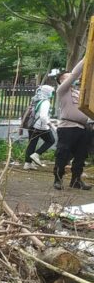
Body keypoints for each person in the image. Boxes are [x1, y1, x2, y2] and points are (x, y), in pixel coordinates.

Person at [53, 59, 90, 190]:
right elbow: (75, 74)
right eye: (67, 77)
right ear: (62, 80)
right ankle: (58, 179)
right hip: (68, 127)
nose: (73, 78)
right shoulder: (62, 91)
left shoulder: (79, 92)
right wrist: (87, 56)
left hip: (82, 127)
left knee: (81, 156)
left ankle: (76, 180)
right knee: (63, 154)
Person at [23, 85, 55, 170]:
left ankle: (27, 163)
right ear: (47, 92)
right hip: (41, 126)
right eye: (51, 92)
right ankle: (36, 154)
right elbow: (43, 116)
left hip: (32, 125)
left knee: (32, 144)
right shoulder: (45, 102)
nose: (52, 94)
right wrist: (50, 125)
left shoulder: (36, 99)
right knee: (51, 140)